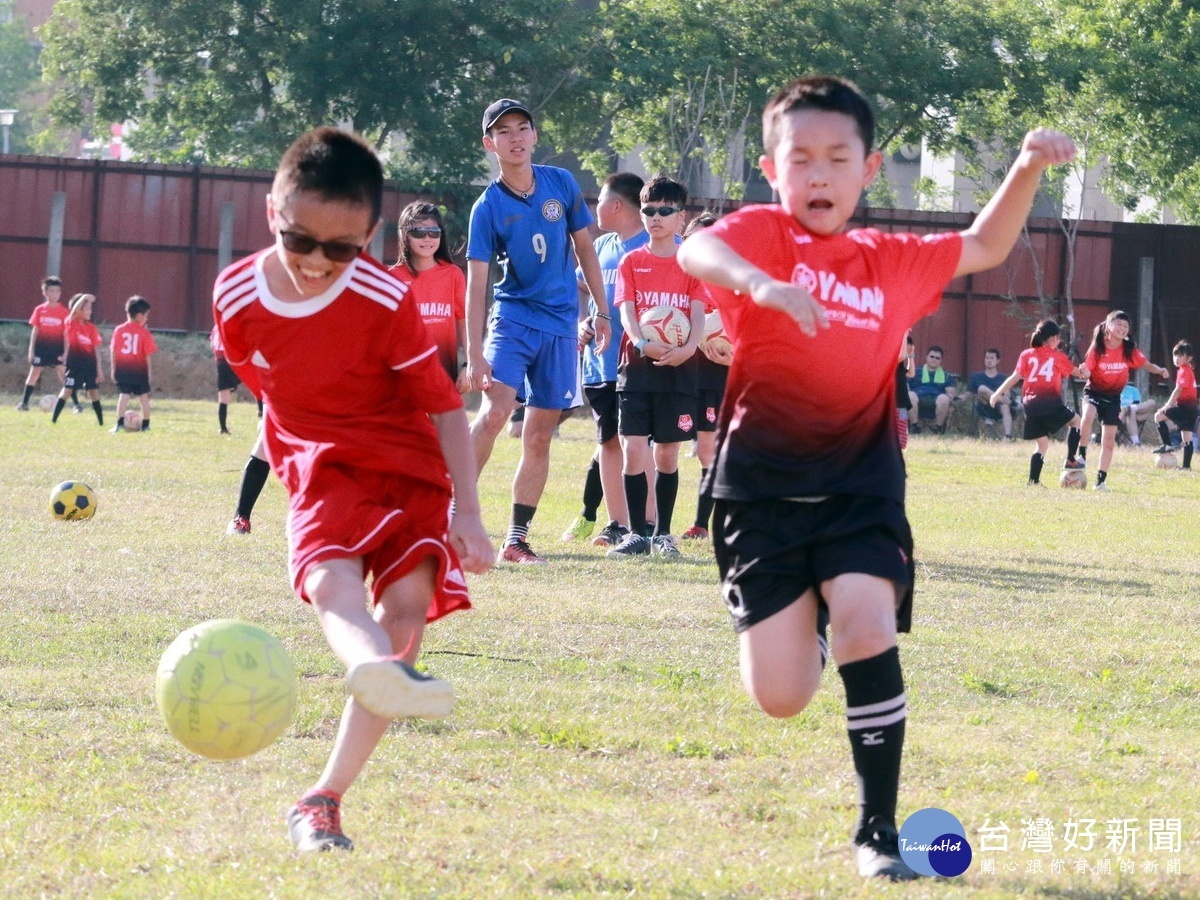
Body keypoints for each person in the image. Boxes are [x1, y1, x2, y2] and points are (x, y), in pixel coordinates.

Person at [676, 74, 1076, 880]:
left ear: (870, 167)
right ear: (770, 167)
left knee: (867, 620)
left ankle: (878, 831)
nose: (819, 176)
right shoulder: (761, 236)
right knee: (782, 696)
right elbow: (695, 247)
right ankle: (806, 626)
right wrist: (758, 283)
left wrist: (1028, 165)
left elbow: (985, 246)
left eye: (837, 158)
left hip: (860, 487)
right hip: (759, 496)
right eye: (801, 160)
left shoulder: (891, 261)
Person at [212, 126, 493, 853]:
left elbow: (441, 407)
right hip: (318, 464)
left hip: (406, 466)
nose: (315, 263)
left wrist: (468, 509)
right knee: (332, 586)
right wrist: (296, 444)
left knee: (405, 612)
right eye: (299, 240)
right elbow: (261, 377)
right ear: (272, 208)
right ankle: (375, 670)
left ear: (370, 236)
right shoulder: (236, 295)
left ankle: (322, 798)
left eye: (340, 249)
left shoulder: (381, 297)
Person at [464, 98, 610, 564]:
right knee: (496, 410)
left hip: (561, 327)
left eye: (522, 128)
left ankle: (516, 540)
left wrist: (602, 311)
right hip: (511, 320)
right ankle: (454, 511)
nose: (515, 138)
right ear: (490, 144)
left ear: (534, 135)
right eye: (503, 132)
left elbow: (585, 248)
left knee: (540, 434)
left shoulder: (561, 183)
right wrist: (474, 352)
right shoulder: (486, 207)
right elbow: (477, 285)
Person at [605, 175, 705, 559]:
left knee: (666, 454)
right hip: (636, 369)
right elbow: (628, 315)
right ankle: (637, 533)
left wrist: (689, 347)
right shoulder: (632, 261)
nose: (656, 217)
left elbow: (697, 314)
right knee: (633, 450)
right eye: (649, 210)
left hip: (679, 370)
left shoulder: (692, 263)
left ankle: (663, 534)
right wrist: (643, 342)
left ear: (681, 217)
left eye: (666, 210)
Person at [561, 173, 649, 548]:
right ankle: (616, 524)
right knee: (610, 443)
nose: (594, 208)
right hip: (600, 363)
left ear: (616, 205)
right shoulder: (601, 247)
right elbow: (582, 287)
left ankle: (648, 526)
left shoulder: (659, 246)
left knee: (641, 443)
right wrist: (585, 320)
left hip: (642, 365)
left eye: (600, 201)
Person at [1070, 310, 1168, 490]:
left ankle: (1100, 481)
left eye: (1126, 326)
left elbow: (1146, 364)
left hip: (1113, 397)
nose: (1122, 329)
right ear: (1108, 326)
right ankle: (1081, 454)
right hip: (1094, 392)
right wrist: (1084, 372)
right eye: (1119, 325)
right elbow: (1088, 372)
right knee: (1088, 414)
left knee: (1108, 440)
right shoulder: (1098, 346)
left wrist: (1160, 370)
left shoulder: (1129, 349)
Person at [988, 320, 1088, 484]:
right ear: (1054, 338)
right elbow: (1079, 374)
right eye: (1058, 338)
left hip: (1031, 406)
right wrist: (1086, 372)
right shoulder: (1058, 357)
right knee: (1076, 420)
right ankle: (1071, 459)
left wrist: (997, 393)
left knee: (1042, 445)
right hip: (1050, 402)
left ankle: (1033, 481)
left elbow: (1015, 377)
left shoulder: (1026, 354)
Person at [680, 210, 729, 542]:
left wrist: (733, 353)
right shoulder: (678, 277)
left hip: (718, 375)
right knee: (660, 446)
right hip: (680, 372)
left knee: (708, 451)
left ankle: (702, 523)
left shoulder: (732, 283)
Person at [390, 201, 471, 391]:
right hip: (402, 377)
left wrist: (468, 365)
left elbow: (464, 322)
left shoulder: (453, 275)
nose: (427, 238)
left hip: (443, 374)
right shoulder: (392, 278)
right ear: (405, 235)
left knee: (443, 422)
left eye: (434, 232)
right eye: (419, 232)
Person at [16, 276, 73, 412]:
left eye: (57, 291)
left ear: (60, 293)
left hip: (57, 348)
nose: (54, 294)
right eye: (51, 291)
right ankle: (24, 403)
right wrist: (31, 351)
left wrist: (66, 352)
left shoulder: (64, 312)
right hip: (41, 348)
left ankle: (76, 405)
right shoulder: (39, 310)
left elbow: (66, 334)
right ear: (45, 293)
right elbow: (35, 331)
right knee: (34, 372)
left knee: (64, 374)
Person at [50, 293, 105, 426]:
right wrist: (84, 297)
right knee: (67, 390)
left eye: (91, 308)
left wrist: (99, 370)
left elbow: (96, 349)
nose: (90, 311)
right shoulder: (71, 323)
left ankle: (101, 423)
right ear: (79, 309)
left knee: (93, 393)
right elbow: (73, 311)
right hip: (75, 365)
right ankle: (53, 420)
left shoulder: (91, 328)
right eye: (87, 308)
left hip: (90, 366)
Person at [110, 295, 158, 433]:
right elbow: (148, 354)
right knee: (143, 398)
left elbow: (113, 351)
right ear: (138, 316)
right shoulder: (144, 333)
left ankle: (119, 424)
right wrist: (149, 372)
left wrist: (114, 369)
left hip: (123, 369)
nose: (147, 318)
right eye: (146, 315)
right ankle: (146, 425)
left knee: (124, 395)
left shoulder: (119, 330)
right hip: (140, 370)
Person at [1152, 340, 1197, 468]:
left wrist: (1168, 405)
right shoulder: (1188, 370)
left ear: (1189, 358)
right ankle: (1186, 466)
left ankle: (1167, 444)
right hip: (1192, 409)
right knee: (1186, 437)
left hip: (1185, 408)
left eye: (1180, 355)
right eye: (1175, 355)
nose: (1176, 358)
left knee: (1158, 416)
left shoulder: (1183, 371)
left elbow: (1178, 389)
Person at [907, 346, 956, 433]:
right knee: (910, 395)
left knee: (944, 398)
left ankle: (938, 428)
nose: (934, 359)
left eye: (937, 358)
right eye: (932, 356)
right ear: (926, 357)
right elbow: (904, 386)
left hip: (936, 401)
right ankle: (914, 427)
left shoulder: (946, 375)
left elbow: (950, 394)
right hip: (917, 399)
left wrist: (949, 398)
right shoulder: (915, 371)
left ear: (941, 360)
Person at [967, 348, 1013, 438]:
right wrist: (958, 398)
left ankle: (1008, 435)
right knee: (981, 388)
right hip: (983, 405)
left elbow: (1007, 393)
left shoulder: (1003, 378)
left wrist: (1006, 397)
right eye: (987, 358)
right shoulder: (976, 376)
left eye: (992, 358)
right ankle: (1001, 399)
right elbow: (969, 394)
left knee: (1005, 407)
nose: (989, 360)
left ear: (998, 361)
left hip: (997, 406)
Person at [211, 323, 241, 435]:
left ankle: (223, 428)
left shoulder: (216, 327)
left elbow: (212, 344)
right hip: (234, 359)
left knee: (223, 395)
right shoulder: (232, 322)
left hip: (222, 361)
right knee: (254, 380)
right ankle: (261, 411)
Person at [895, 332, 915, 449]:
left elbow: (911, 373)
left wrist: (911, 356)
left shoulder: (901, 366)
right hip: (893, 403)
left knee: (902, 438)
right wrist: (904, 333)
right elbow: (901, 356)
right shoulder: (892, 360)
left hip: (901, 403)